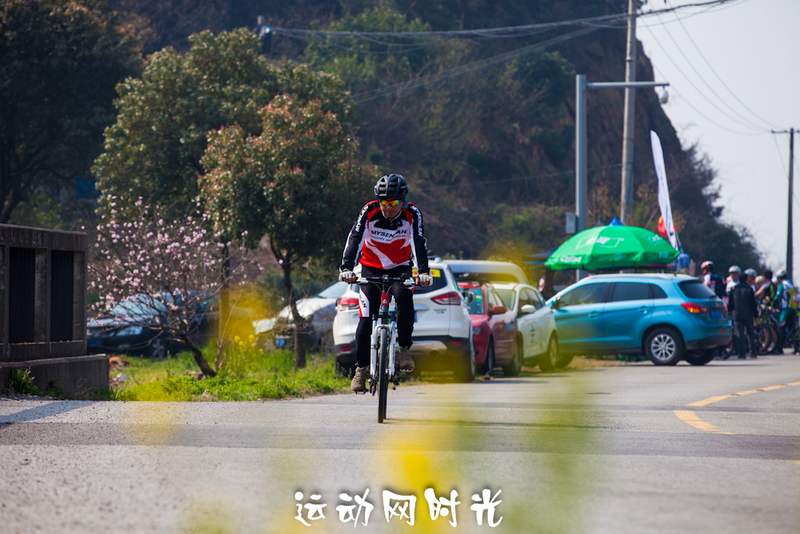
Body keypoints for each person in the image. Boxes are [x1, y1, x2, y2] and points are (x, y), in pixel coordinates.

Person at [339, 174, 432, 393]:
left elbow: (418, 242)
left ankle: (404, 349)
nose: (388, 207)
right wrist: (346, 268)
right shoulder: (369, 211)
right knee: (365, 319)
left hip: (400, 267)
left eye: (394, 202)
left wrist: (423, 272)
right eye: (384, 202)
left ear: (403, 201)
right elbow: (355, 238)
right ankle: (361, 369)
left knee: (405, 297)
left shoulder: (413, 213)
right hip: (371, 267)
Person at [728, 273, 758, 359]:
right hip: (748, 314)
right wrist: (756, 315)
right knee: (750, 333)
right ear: (746, 279)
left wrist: (730, 312)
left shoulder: (733, 289)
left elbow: (730, 302)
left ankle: (742, 353)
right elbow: (753, 304)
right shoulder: (749, 289)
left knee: (739, 333)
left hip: (737, 314)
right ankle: (753, 351)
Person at [771, 269, 797, 353]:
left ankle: (779, 348)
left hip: (785, 310)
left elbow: (778, 297)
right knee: (792, 328)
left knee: (781, 328)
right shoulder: (790, 283)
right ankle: (796, 347)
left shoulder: (782, 285)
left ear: (779, 278)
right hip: (792, 308)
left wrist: (771, 300)